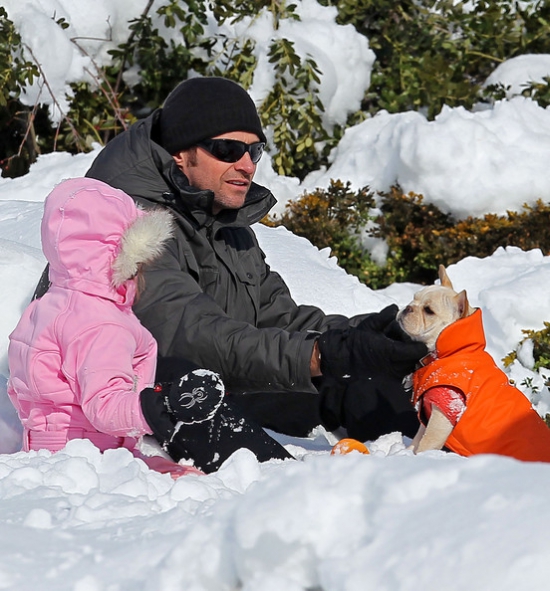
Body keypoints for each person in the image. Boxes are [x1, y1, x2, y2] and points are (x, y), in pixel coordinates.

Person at [33, 76, 427, 443]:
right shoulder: (128, 221)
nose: (247, 164)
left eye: (254, 149)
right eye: (227, 149)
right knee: (339, 388)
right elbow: (189, 336)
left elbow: (280, 319)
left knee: (373, 383)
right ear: (179, 154)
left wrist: (369, 337)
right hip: (151, 400)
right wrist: (325, 356)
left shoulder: (222, 217)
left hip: (218, 376)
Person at [9, 177, 291, 475]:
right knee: (186, 485)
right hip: (88, 458)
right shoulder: (103, 324)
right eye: (143, 261)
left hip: (49, 451)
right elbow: (104, 406)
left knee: (173, 470)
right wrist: (161, 406)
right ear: (122, 257)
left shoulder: (50, 305)